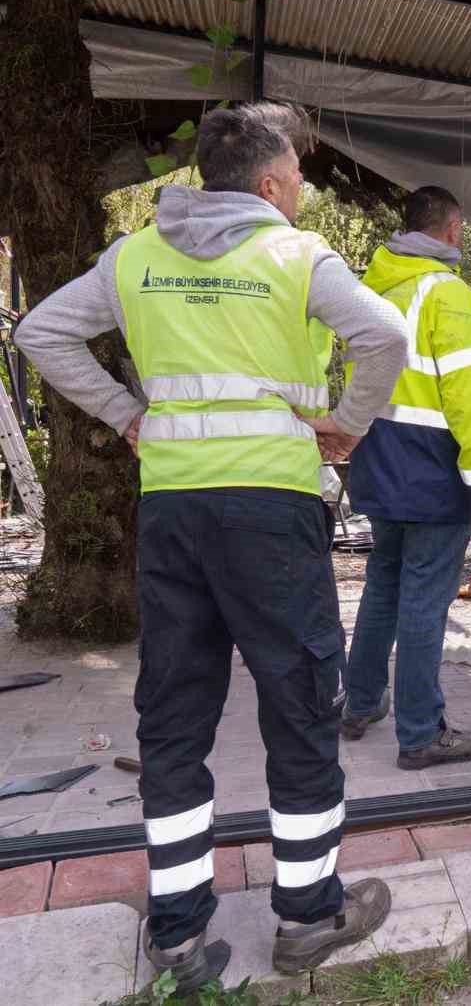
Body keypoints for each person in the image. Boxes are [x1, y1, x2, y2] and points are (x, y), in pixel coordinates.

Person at [15, 102, 407, 991]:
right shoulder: (296, 254)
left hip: (175, 510)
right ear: (270, 183)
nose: (303, 188)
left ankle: (179, 932)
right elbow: (382, 335)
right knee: (301, 700)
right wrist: (345, 425)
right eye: (299, 176)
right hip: (271, 505)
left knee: (176, 713)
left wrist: (126, 415)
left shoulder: (135, 257)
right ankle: (308, 917)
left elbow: (39, 331)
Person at [341, 186, 471, 770]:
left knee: (384, 588)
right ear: (454, 228)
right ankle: (419, 734)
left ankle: (359, 704)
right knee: (423, 604)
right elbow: (470, 394)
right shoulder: (445, 291)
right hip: (434, 471)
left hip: (379, 463)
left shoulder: (369, 288)